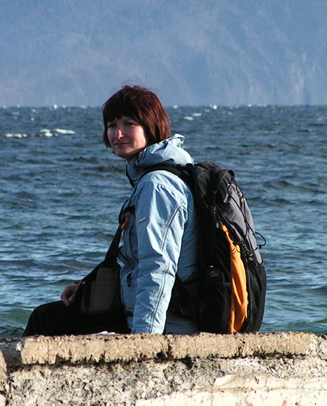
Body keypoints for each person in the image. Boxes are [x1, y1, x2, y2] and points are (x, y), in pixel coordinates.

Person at [22, 85, 199, 336]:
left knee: (44, 320)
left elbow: (157, 267)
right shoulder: (155, 176)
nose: (117, 134)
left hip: (170, 325)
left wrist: (145, 342)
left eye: (128, 124)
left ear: (151, 127)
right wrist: (87, 288)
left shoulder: (156, 185)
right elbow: (136, 263)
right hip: (156, 314)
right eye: (112, 125)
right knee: (49, 316)